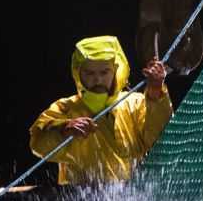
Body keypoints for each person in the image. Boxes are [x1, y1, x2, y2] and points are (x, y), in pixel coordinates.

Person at [29, 35, 172, 185]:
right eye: (89, 73)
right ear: (78, 73)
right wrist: (63, 129)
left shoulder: (136, 103)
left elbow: (160, 140)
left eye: (104, 72)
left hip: (134, 196)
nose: (97, 79)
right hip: (81, 199)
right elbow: (38, 144)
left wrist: (156, 92)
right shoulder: (64, 108)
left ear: (116, 71)